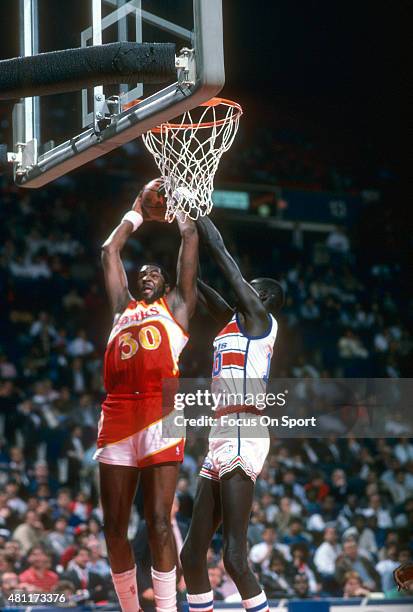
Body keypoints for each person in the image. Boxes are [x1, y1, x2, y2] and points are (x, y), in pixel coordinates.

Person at [94, 187, 198, 612]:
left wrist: (183, 211)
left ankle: (169, 608)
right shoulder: (123, 308)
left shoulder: (177, 307)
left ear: (169, 284)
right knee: (115, 528)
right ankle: (131, 608)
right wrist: (135, 212)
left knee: (159, 522)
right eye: (143, 272)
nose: (146, 274)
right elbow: (108, 252)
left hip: (164, 408)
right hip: (117, 410)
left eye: (155, 271)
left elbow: (189, 240)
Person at [180, 216, 284, 612]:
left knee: (235, 558)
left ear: (263, 299)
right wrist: (184, 237)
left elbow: (223, 259)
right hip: (222, 429)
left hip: (245, 424)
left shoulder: (261, 320)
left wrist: (198, 212)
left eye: (251, 289)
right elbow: (197, 282)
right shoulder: (233, 325)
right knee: (191, 557)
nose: (244, 290)